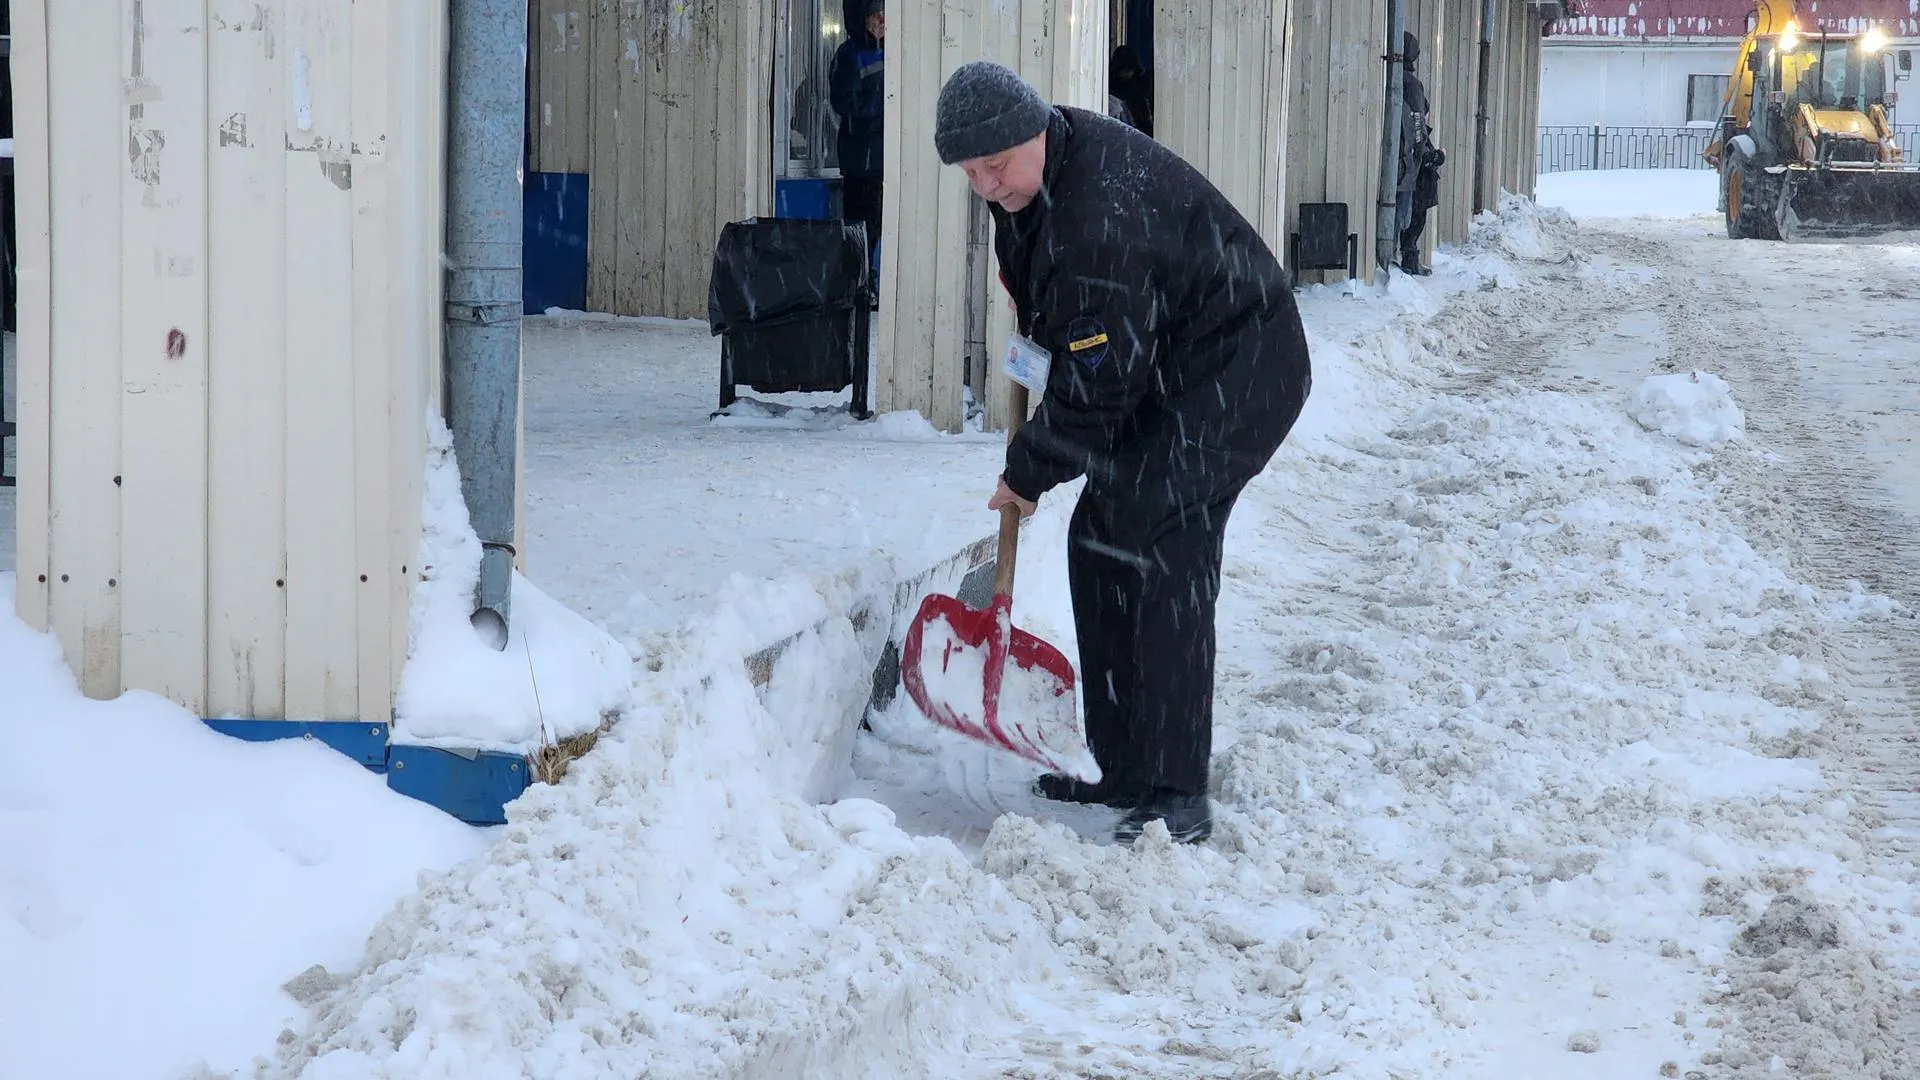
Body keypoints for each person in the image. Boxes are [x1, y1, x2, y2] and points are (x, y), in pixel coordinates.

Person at [932, 61, 1313, 845]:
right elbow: (1081, 328)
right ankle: (1126, 765)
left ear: (1033, 132)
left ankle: (1178, 790)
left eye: (996, 166)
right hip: (1168, 362)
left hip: (1243, 364)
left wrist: (1029, 468)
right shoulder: (1042, 173)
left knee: (1165, 538)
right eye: (970, 173)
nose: (986, 185)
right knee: (1104, 535)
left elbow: (1103, 387)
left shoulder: (1098, 218)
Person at [831, 1, 886, 272]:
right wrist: (885, 106)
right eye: (876, 15)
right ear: (861, 19)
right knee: (860, 227)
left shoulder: (889, 51)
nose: (882, 20)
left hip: (883, 159)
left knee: (878, 225)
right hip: (861, 159)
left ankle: (872, 281)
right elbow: (843, 103)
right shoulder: (849, 56)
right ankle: (858, 286)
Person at [1397, 31, 1438, 276]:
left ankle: (1405, 252)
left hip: (1401, 154)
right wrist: (1425, 154)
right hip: (1407, 157)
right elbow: (1416, 122)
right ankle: (1408, 254)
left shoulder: (1396, 78)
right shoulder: (1410, 83)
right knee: (1418, 200)